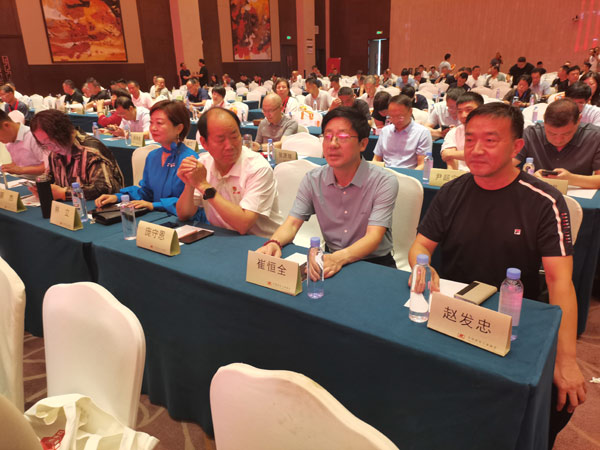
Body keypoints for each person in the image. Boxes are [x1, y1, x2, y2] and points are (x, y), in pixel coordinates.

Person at [410, 102, 585, 449]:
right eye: (470, 139)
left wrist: (566, 359)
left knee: (551, 396)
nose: (476, 150)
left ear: (517, 146)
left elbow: (559, 281)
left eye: (490, 140)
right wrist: (423, 265)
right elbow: (420, 246)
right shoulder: (452, 192)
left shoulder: (544, 200)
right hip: (453, 309)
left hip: (515, 316)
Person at [256, 106, 399, 274]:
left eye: (343, 137)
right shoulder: (313, 179)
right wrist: (274, 242)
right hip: (331, 257)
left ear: (363, 144)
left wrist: (338, 258)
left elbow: (373, 237)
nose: (333, 144)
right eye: (328, 136)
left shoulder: (383, 181)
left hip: (375, 263)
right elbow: (292, 224)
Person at [176, 108, 282, 237]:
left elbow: (243, 225)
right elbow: (184, 214)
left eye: (234, 137)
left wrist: (204, 186)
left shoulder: (257, 167)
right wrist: (190, 184)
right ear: (204, 143)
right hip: (222, 237)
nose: (230, 146)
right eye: (220, 140)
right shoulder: (204, 163)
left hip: (262, 242)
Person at [95, 100, 198, 218]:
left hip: (181, 220)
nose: (153, 128)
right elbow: (146, 192)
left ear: (179, 128)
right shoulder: (153, 156)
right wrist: (118, 197)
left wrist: (153, 205)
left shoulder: (190, 160)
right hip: (156, 217)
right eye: (151, 122)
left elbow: (191, 202)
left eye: (159, 123)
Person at [29, 110, 123, 201]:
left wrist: (64, 193)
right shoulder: (55, 153)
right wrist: (42, 188)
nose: (50, 148)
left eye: (50, 142)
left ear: (63, 133)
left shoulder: (91, 152)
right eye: (44, 144)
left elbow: (103, 188)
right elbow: (50, 178)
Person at [516, 98, 600, 188]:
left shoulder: (595, 137)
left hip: (577, 194)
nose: (558, 140)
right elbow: (507, 167)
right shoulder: (531, 134)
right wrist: (531, 177)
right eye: (551, 133)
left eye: (566, 134)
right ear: (544, 119)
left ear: (579, 120)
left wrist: (572, 179)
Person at [373, 94, 431, 169]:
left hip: (409, 173)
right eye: (391, 116)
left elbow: (422, 165)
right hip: (386, 173)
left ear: (410, 112)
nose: (395, 120)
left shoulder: (422, 133)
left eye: (400, 117)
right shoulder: (385, 131)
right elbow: (376, 159)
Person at [440, 92, 484, 170]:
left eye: (469, 110)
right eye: (460, 111)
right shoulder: (453, 133)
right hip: (459, 175)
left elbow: (485, 155)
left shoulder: (492, 132)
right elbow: (446, 156)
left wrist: (453, 154)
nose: (464, 115)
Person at [0, 109, 47, 178]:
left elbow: (48, 166)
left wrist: (21, 170)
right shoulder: (9, 142)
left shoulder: (33, 136)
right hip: (22, 179)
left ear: (6, 125)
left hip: (41, 180)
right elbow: (18, 163)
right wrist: (9, 167)